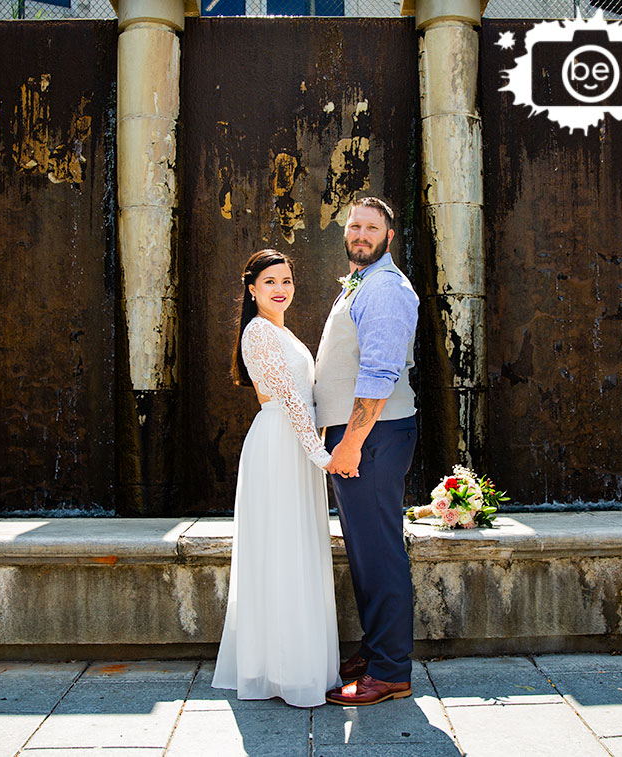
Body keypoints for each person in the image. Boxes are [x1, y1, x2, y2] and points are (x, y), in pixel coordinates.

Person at [211, 249, 340, 708]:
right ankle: (282, 671)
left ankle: (296, 664)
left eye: (286, 280)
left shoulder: (281, 331)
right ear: (252, 289)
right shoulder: (258, 332)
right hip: (280, 443)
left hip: (296, 443)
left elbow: (307, 395)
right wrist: (319, 453)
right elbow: (286, 397)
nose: (280, 288)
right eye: (270, 282)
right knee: (282, 548)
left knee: (296, 546)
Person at [315, 197, 420, 706]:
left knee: (379, 552)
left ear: (388, 235)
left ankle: (392, 672)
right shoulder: (361, 283)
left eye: (371, 226)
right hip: (362, 437)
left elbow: (380, 372)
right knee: (365, 550)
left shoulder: (384, 287)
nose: (360, 233)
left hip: (373, 437)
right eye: (354, 225)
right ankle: (376, 652)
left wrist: (351, 441)